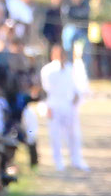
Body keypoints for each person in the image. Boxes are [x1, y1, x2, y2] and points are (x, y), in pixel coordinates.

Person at [38, 43, 90, 172]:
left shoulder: (70, 69)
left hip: (69, 106)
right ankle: (58, 161)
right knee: (55, 136)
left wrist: (77, 96)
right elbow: (46, 88)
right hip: (54, 105)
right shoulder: (48, 70)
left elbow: (76, 86)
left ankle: (76, 159)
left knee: (74, 135)